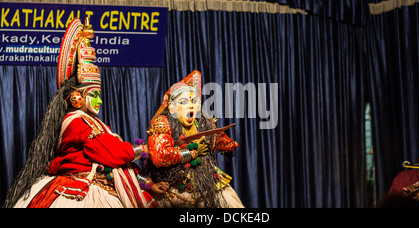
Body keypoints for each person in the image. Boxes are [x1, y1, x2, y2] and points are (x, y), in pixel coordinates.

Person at [3, 17, 165, 208]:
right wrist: (140, 150)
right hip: (85, 187)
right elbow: (111, 153)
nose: (100, 100)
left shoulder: (88, 121)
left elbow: (115, 169)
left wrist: (148, 185)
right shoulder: (77, 123)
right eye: (94, 94)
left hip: (101, 181)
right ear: (77, 97)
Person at [145, 70, 244, 208]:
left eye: (194, 101)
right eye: (184, 102)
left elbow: (219, 139)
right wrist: (192, 152)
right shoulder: (162, 122)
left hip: (208, 184)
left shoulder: (205, 122)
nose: (190, 105)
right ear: (172, 107)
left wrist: (231, 146)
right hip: (173, 189)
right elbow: (159, 156)